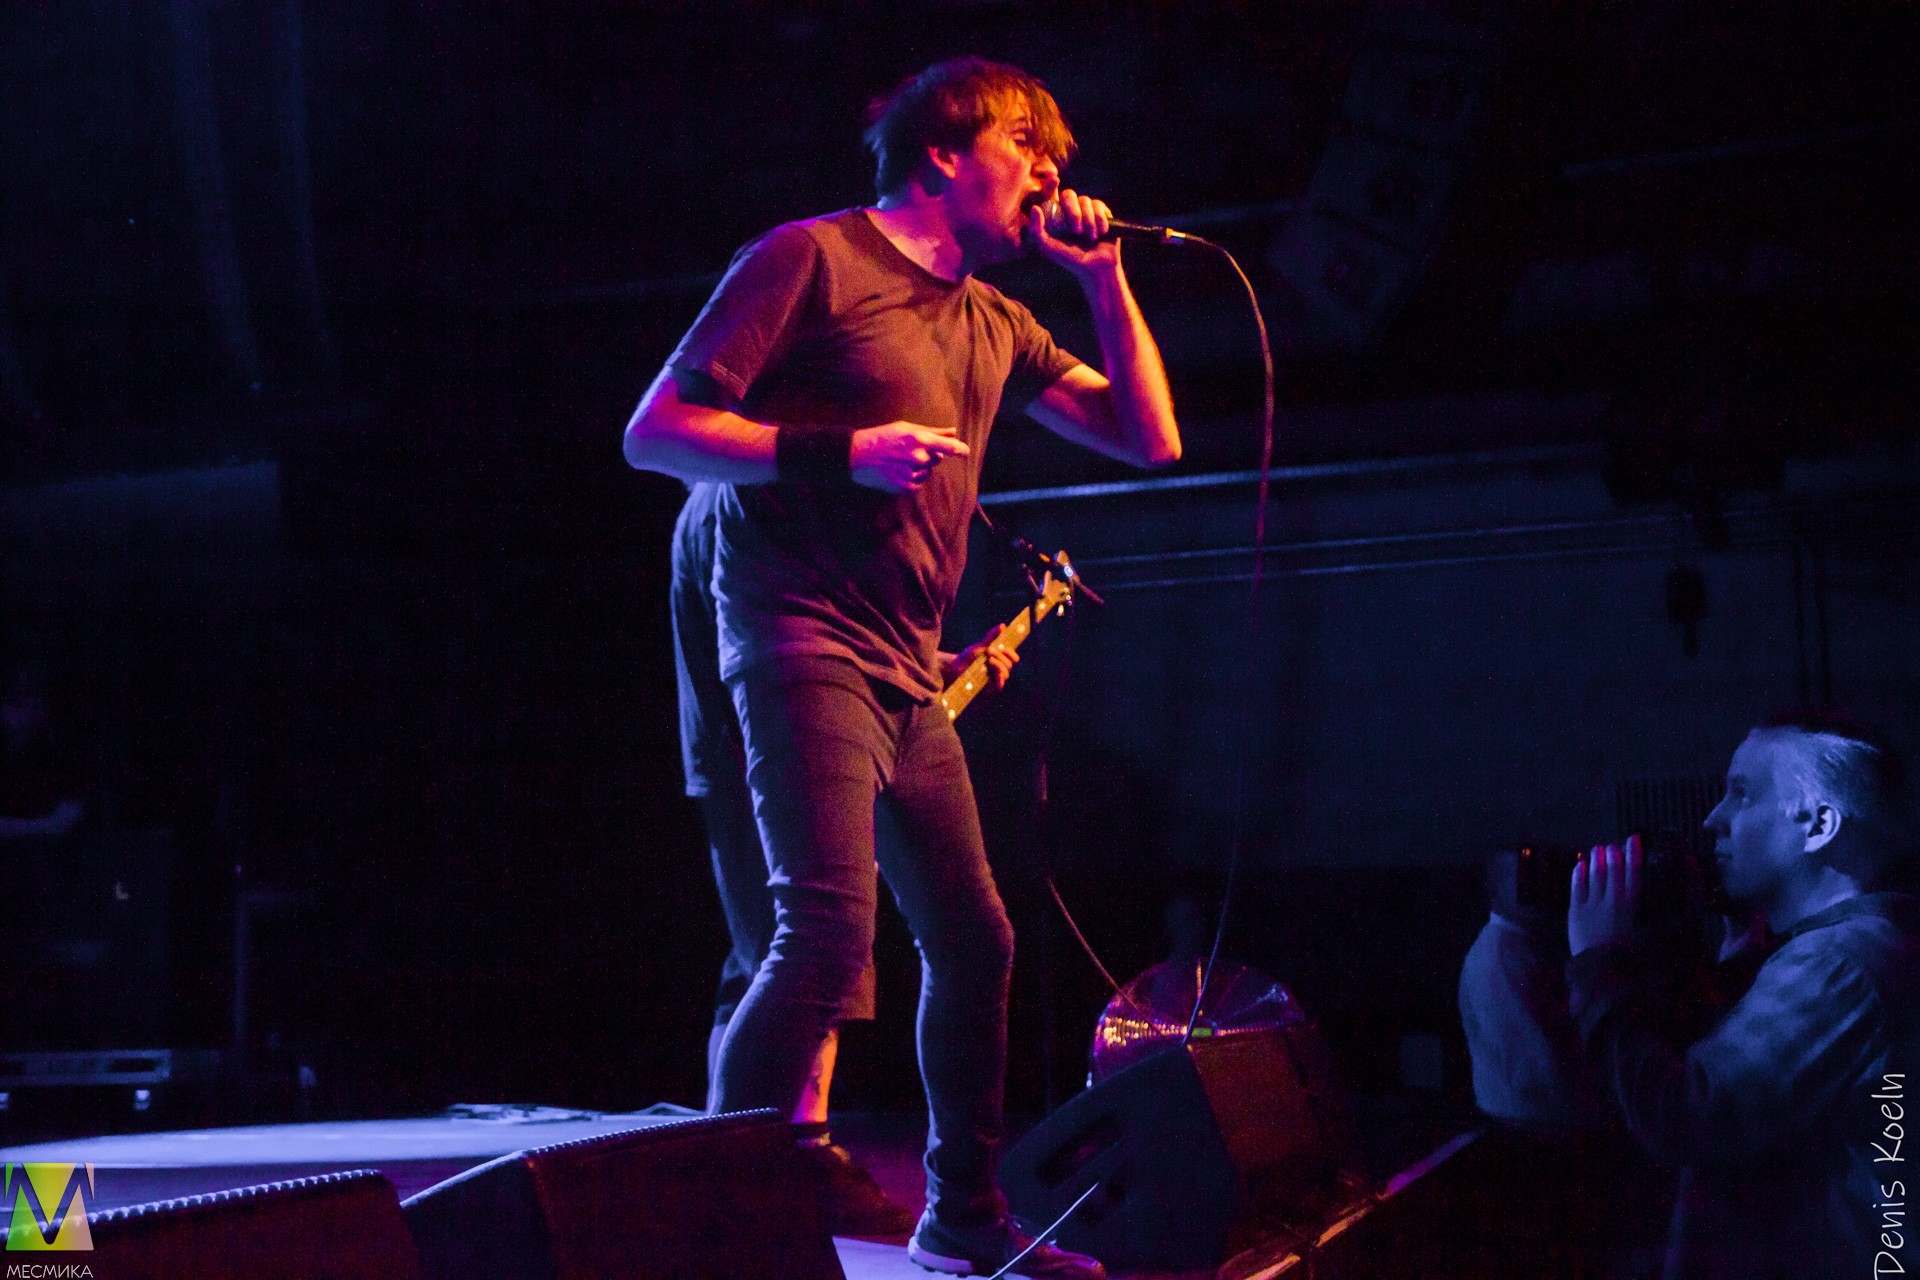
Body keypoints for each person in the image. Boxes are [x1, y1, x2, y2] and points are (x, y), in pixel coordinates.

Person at [625, 56, 1180, 1280]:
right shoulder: (810, 260)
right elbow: (656, 432)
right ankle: (709, 1231)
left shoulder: (995, 321)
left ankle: (964, 1215)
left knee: (975, 939)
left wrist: (1106, 282)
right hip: (797, 635)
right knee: (823, 939)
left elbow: (1152, 436)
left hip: (905, 673)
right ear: (943, 152)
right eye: (1027, 146)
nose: (1050, 173)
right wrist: (844, 449)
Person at [671, 478, 1013, 1236]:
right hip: (751, 751)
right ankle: (782, 1158)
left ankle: (777, 1156)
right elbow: (762, 653)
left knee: (783, 952)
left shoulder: (752, 502)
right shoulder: (737, 504)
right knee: (807, 948)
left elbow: (834, 635)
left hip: (760, 743)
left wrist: (938, 663)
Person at [1567, 713, 1920, 1278]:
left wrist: (1597, 964)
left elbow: (1688, 1113)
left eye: (1742, 794)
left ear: (1818, 824)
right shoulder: (1867, 942)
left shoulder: (1836, 963)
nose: (1713, 819)